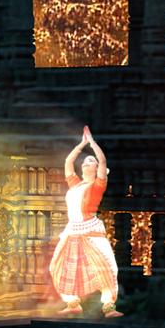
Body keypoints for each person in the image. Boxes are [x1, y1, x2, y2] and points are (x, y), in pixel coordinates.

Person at [49, 126, 122, 317]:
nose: (85, 162)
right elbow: (68, 161)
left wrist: (92, 143)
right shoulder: (76, 185)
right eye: (86, 161)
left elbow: (103, 159)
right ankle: (73, 303)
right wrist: (81, 144)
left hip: (91, 230)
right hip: (72, 230)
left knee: (107, 265)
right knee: (58, 265)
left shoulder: (97, 186)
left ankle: (108, 306)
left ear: (97, 169)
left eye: (91, 161)